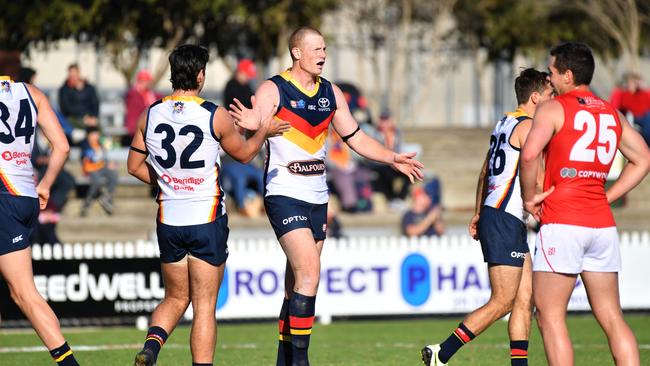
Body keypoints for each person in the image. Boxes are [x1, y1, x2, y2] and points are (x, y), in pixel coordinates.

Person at [229, 26, 424, 366]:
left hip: (317, 196)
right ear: (296, 53)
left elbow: (357, 138)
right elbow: (252, 127)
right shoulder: (273, 89)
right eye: (316, 48)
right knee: (309, 271)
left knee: (297, 284)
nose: (323, 54)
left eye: (325, 48)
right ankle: (301, 362)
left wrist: (392, 157)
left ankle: (284, 360)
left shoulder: (331, 93)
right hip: (284, 194)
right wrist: (251, 124)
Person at [127, 44, 289, 366]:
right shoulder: (213, 114)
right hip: (205, 218)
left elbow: (133, 166)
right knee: (203, 306)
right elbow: (243, 154)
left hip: (169, 219)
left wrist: (170, 183)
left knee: (174, 297)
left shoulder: (151, 113)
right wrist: (264, 132)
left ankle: (151, 348)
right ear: (200, 75)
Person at [520, 42, 650, 366]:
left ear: (567, 74)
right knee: (611, 317)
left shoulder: (553, 108)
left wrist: (528, 197)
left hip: (563, 221)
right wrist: (607, 196)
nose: (548, 79)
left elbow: (529, 154)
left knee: (549, 317)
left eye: (551, 72)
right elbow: (643, 159)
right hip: (601, 225)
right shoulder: (611, 112)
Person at [421, 68, 553, 366]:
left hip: (501, 215)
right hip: (506, 217)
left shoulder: (505, 123)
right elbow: (538, 174)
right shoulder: (530, 126)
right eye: (550, 94)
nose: (554, 99)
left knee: (524, 298)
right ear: (536, 97)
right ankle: (442, 352)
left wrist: (479, 211)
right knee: (503, 300)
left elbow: (484, 172)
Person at [0, 76, 79, 365]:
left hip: (3, 195)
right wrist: (45, 185)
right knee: (24, 292)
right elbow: (63, 147)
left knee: (24, 295)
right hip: (26, 195)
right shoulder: (32, 93)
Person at [220, 58, 266, 216]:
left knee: (260, 176)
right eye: (247, 74)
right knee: (239, 179)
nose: (248, 77)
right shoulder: (231, 85)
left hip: (245, 157)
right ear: (240, 71)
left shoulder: (248, 86)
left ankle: (264, 205)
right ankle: (242, 206)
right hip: (230, 162)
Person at [364, 110, 411, 209]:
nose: (384, 123)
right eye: (382, 119)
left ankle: (400, 198)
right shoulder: (374, 132)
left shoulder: (397, 133)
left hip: (394, 162)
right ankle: (392, 198)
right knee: (385, 172)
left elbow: (400, 149)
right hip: (378, 163)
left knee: (410, 171)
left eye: (386, 120)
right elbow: (374, 152)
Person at [79, 125, 118, 216]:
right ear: (88, 135)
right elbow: (88, 157)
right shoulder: (85, 144)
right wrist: (92, 154)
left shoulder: (99, 143)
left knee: (113, 175)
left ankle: (106, 197)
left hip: (101, 167)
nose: (96, 136)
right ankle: (87, 204)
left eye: (97, 134)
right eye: (94, 134)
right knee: (96, 182)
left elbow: (104, 157)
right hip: (90, 168)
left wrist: (109, 164)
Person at [609, 72, 650, 146]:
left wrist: (644, 87)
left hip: (645, 115)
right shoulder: (624, 94)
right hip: (632, 117)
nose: (634, 84)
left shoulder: (643, 93)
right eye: (632, 82)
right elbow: (620, 106)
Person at [124, 69, 162, 145]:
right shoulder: (133, 94)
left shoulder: (150, 94)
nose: (148, 83)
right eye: (146, 81)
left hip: (148, 128)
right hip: (135, 129)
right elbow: (138, 111)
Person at [58, 63, 99, 130]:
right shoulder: (64, 90)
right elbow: (66, 108)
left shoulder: (89, 87)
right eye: (71, 74)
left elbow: (95, 103)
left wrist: (93, 116)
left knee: (95, 133)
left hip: (90, 119)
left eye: (74, 74)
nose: (73, 77)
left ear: (78, 73)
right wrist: (84, 117)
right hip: (73, 119)